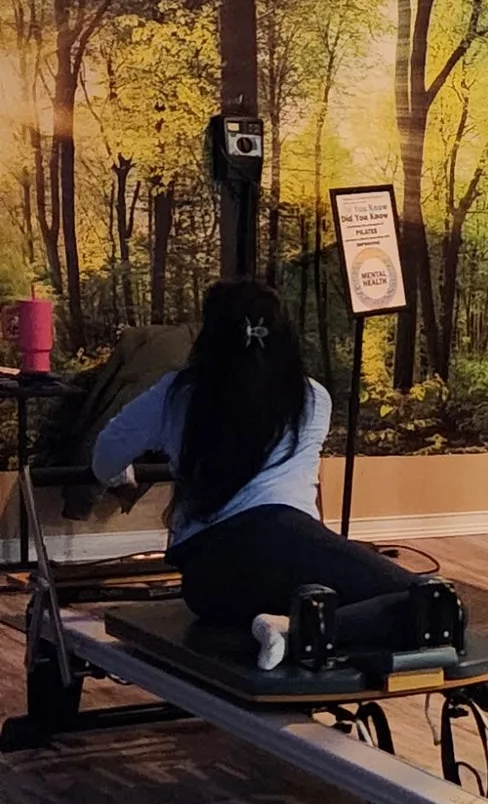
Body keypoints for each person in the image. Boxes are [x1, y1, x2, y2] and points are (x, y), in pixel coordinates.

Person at [91, 278, 456, 661]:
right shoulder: (312, 398)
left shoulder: (177, 393)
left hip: (208, 586)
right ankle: (291, 627)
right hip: (287, 545)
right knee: (436, 605)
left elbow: (104, 458)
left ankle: (288, 628)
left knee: (412, 602)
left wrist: (122, 477)